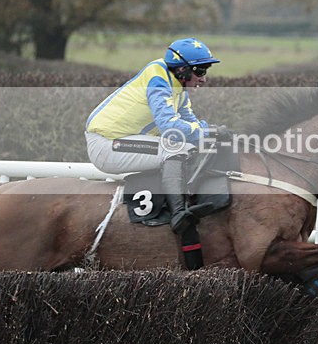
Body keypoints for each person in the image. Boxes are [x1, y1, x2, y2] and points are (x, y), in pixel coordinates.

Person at [85, 37, 220, 247]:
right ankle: (178, 214)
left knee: (191, 148)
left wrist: (213, 134)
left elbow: (192, 126)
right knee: (176, 148)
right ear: (182, 69)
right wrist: (207, 131)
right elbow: (170, 127)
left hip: (123, 140)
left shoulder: (178, 89)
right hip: (107, 144)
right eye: (200, 71)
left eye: (206, 71)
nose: (203, 79)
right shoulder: (158, 78)